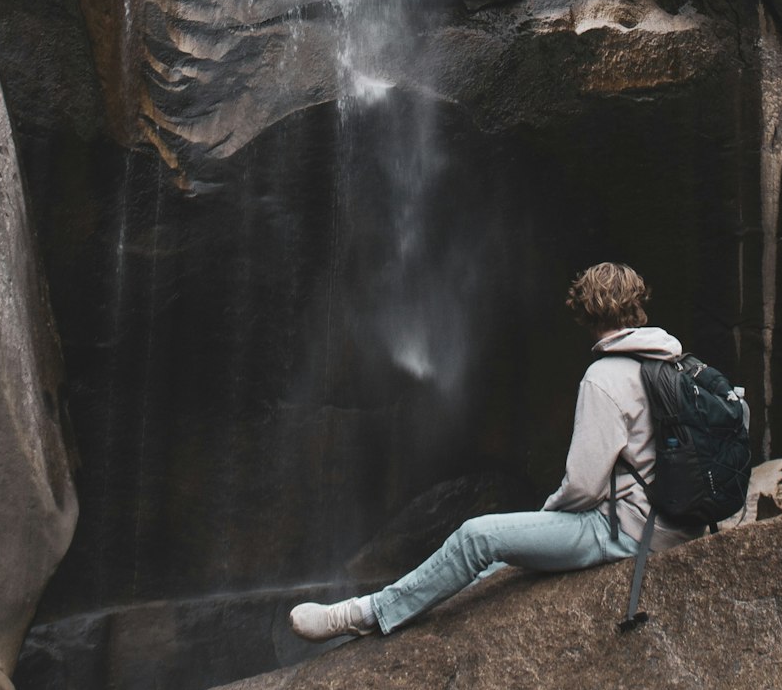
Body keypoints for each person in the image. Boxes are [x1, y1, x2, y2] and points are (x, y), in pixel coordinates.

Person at [290, 262, 695, 642]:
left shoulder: (605, 377)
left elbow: (585, 487)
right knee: (501, 569)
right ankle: (415, 605)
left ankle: (364, 614)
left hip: (630, 530)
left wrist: (544, 519)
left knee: (477, 536)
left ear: (585, 311)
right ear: (637, 306)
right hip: (674, 522)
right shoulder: (673, 364)